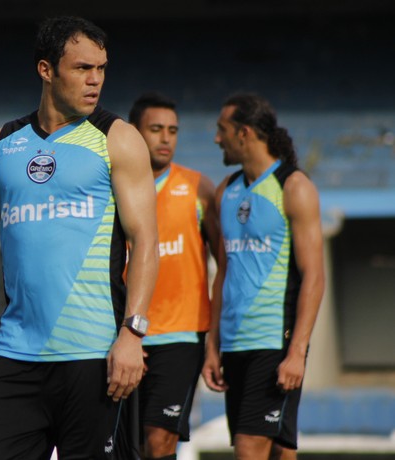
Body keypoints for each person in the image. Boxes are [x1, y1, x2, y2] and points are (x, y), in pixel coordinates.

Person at [0, 16, 158, 460]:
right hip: (16, 354)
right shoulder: (1, 144)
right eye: (81, 68)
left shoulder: (118, 138)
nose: (95, 80)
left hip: (95, 357)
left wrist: (132, 335)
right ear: (46, 70)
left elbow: (146, 241)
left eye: (101, 68)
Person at [202, 93, 325, 460]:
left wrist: (297, 353)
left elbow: (315, 277)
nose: (216, 139)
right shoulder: (226, 190)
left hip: (274, 342)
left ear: (244, 133)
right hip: (235, 346)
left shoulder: (294, 186)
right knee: (280, 452)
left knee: (250, 448)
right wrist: (212, 346)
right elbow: (223, 272)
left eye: (221, 130)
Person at [127, 92, 221, 460]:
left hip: (181, 335)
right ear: (134, 133)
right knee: (124, 443)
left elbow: (225, 267)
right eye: (155, 129)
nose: (166, 138)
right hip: (121, 335)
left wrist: (214, 339)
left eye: (172, 130)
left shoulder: (200, 189)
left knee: (160, 440)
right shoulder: (110, 188)